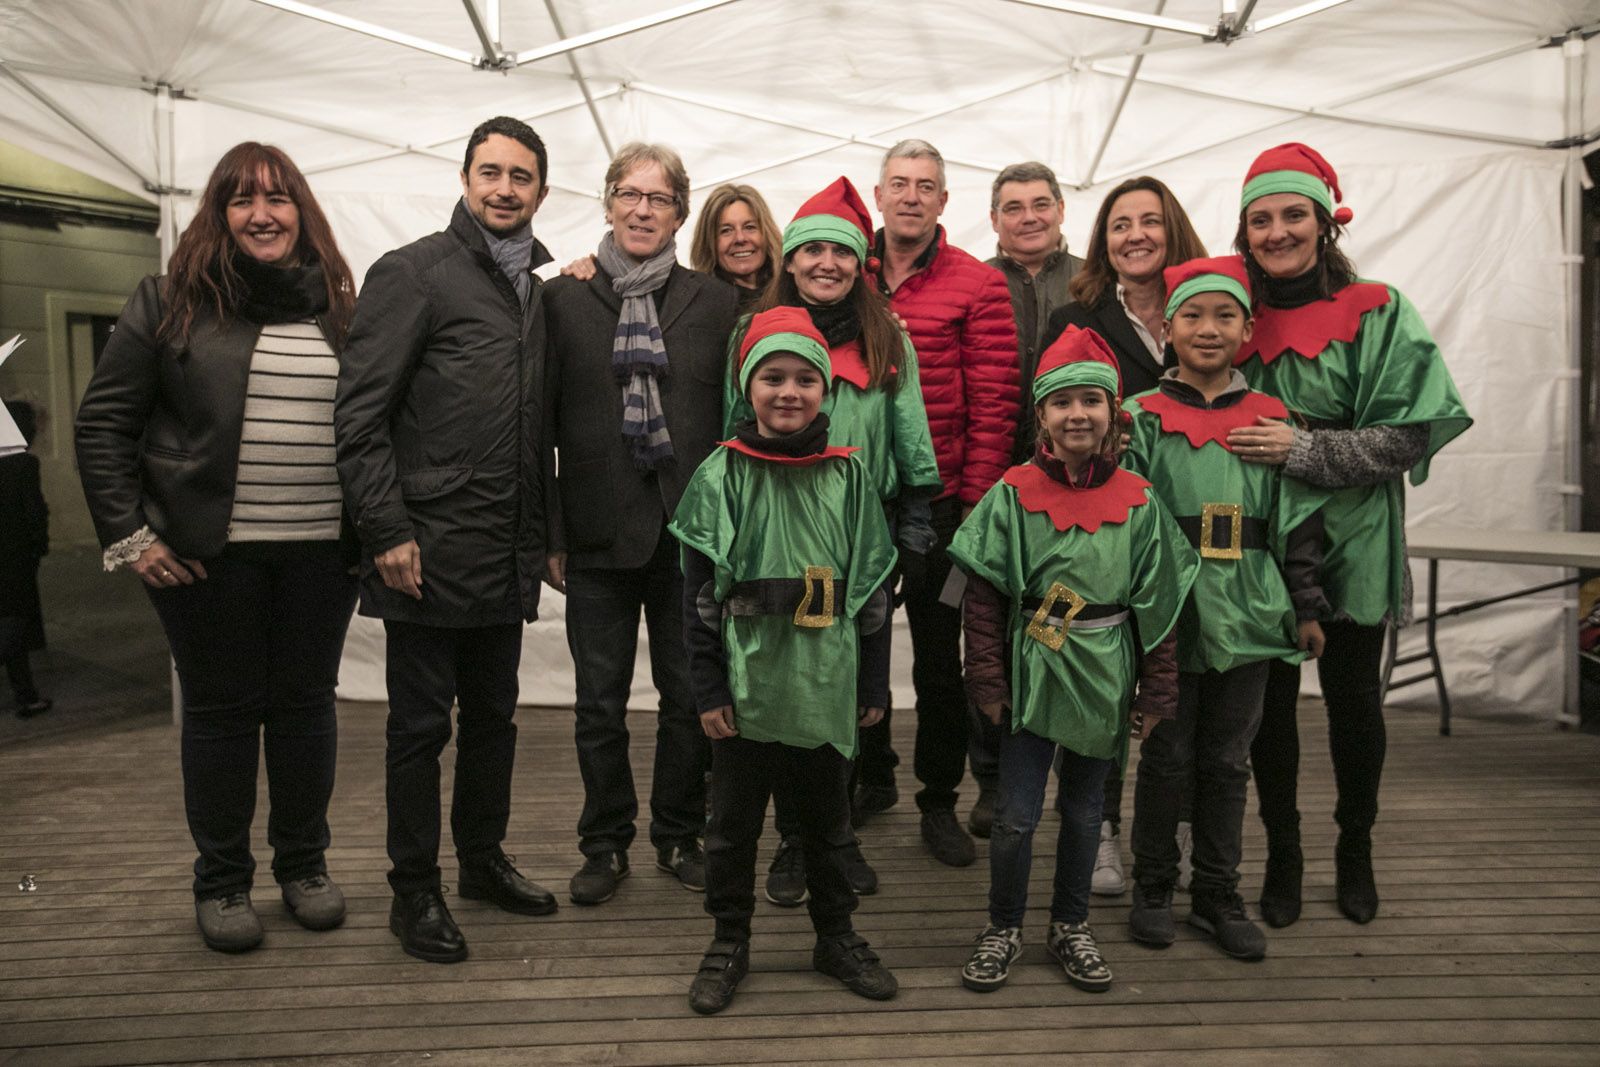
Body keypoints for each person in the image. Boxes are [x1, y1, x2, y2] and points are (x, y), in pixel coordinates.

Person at [76, 142, 359, 953]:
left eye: (277, 198)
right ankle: (223, 880)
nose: (262, 215)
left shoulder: (340, 308)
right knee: (223, 714)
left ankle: (304, 867)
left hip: (321, 552)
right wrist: (131, 536)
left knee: (305, 709)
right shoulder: (168, 302)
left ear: (302, 211)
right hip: (206, 555)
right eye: (242, 200)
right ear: (219, 214)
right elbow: (103, 425)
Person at [1228, 143, 1471, 927]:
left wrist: (1303, 450)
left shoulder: (1379, 308)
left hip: (1356, 531)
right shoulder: (1232, 313)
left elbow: (1409, 434)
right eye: (1261, 219)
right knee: (1268, 707)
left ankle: (1355, 846)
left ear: (1326, 221)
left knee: (1354, 702)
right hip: (1262, 535)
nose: (1277, 232)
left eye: (1293, 214)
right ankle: (1284, 852)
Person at [334, 116, 558, 964]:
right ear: (465, 180)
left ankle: (481, 860)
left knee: (494, 719)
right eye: (490, 171)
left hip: (503, 546)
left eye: (521, 176)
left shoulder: (535, 288)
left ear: (542, 190)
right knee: (420, 728)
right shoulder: (414, 272)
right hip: (425, 548)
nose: (505, 188)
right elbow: (359, 416)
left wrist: (541, 538)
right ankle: (414, 889)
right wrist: (386, 529)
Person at [950, 325, 1196, 994]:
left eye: (1091, 400)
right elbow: (983, 595)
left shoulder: (1140, 501)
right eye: (1062, 402)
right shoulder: (1011, 493)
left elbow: (1161, 606)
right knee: (1016, 814)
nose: (1077, 414)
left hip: (1105, 673)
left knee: (1087, 811)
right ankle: (1003, 925)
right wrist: (986, 676)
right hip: (1033, 670)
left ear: (1113, 412)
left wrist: (1156, 689)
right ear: (1042, 416)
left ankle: (1070, 924)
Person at [671, 306, 900, 1015]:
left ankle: (836, 935)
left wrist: (871, 679)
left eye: (806, 378)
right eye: (772, 377)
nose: (789, 391)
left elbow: (870, 590)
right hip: (748, 684)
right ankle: (728, 939)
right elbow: (699, 595)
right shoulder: (721, 474)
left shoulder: (850, 476)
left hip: (824, 680)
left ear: (826, 389)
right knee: (732, 827)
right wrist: (709, 687)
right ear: (748, 386)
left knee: (829, 823)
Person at [723, 176, 942, 904]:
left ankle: (834, 832)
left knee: (849, 685)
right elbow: (732, 431)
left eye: (841, 251)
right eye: (812, 249)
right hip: (780, 531)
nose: (827, 262)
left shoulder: (887, 337)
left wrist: (913, 530)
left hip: (861, 533)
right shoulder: (752, 332)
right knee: (790, 678)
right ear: (789, 259)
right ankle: (794, 838)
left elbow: (911, 433)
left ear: (860, 262)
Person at [543, 142, 739, 907]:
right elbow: (540, 425)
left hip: (689, 535)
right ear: (608, 202)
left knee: (688, 696)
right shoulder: (562, 299)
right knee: (599, 702)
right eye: (629, 193)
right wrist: (552, 532)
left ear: (680, 213)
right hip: (595, 532)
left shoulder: (716, 302)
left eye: (658, 198)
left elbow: (734, 422)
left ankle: (678, 834)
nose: (642, 209)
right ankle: (604, 842)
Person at [1120, 255, 1329, 962]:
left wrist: (1305, 604)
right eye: (1192, 316)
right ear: (1168, 329)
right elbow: (1124, 519)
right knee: (1166, 754)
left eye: (1224, 316)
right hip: (1170, 612)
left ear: (1246, 330)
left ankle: (1217, 892)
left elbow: (1298, 521)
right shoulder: (1139, 418)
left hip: (1250, 607)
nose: (1208, 329)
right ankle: (1154, 886)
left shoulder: (1274, 419)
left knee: (1229, 759)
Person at [1040, 175, 1209, 895]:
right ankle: (1100, 828)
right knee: (1103, 677)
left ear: (1174, 229)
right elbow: (1047, 419)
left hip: (1195, 517)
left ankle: (1174, 829)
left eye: (1149, 221)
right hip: (1107, 520)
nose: (1135, 235)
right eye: (1119, 224)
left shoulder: (1206, 308)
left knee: (1179, 684)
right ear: (1102, 240)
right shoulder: (1075, 317)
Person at [861, 138, 1020, 867]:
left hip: (944, 502)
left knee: (937, 661)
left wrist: (978, 508)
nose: (911, 196)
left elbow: (994, 405)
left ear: (944, 201)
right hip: (858, 501)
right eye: (899, 183)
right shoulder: (845, 269)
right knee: (852, 648)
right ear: (879, 195)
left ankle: (937, 798)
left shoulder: (977, 285)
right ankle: (868, 778)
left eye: (925, 185)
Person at [985, 161, 1083, 464]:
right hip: (989, 457)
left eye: (1041, 205)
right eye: (1014, 208)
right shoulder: (974, 282)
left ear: (1061, 210)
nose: (1029, 218)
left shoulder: (1092, 281)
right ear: (994, 219)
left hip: (1076, 457)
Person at [0, 399, 51, 718]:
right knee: (14, 624)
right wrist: (38, 546)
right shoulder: (23, 465)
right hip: (14, 556)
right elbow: (33, 511)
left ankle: (26, 694)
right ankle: (25, 695)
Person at [690, 183, 783, 314]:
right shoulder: (699, 307)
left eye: (749, 227)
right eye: (726, 230)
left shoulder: (793, 294)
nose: (740, 238)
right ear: (709, 242)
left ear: (767, 234)